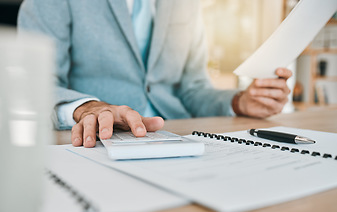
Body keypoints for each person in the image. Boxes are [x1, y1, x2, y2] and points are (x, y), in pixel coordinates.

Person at [18, 0, 292, 148]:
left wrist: (239, 102)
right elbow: (34, 85)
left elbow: (193, 88)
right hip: (100, 143)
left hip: (180, 138)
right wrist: (87, 107)